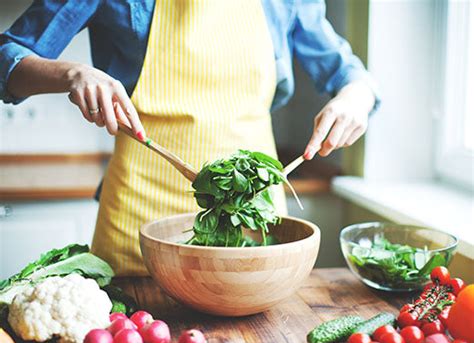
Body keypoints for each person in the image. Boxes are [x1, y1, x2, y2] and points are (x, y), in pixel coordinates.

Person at [0, 0, 379, 276]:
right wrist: (71, 73)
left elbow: (348, 74)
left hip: (254, 213)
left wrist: (356, 97)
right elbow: (6, 57)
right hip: (138, 219)